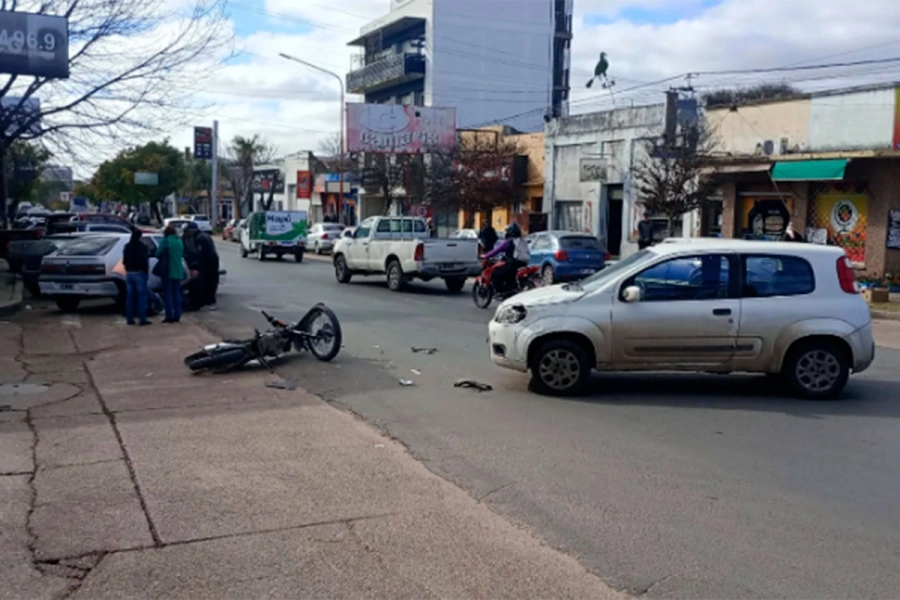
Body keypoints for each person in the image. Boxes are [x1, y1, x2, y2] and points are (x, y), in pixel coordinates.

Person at [482, 222, 530, 292]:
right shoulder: (522, 240)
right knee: (509, 275)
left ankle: (500, 292)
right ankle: (511, 289)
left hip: (512, 263)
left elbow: (496, 251)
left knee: (495, 274)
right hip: (524, 263)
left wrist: (486, 256)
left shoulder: (508, 242)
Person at [157, 225, 185, 323]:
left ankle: (169, 316)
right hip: (178, 270)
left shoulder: (164, 242)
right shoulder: (179, 242)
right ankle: (177, 314)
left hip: (168, 271)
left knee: (168, 294)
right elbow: (182, 254)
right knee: (177, 294)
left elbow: (157, 254)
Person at [123, 229, 151, 326]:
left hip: (129, 273)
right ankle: (142, 319)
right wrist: (146, 272)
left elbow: (124, 260)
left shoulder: (127, 246)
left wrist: (127, 268)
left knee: (130, 297)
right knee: (141, 297)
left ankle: (130, 318)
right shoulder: (142, 247)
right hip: (140, 273)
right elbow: (144, 260)